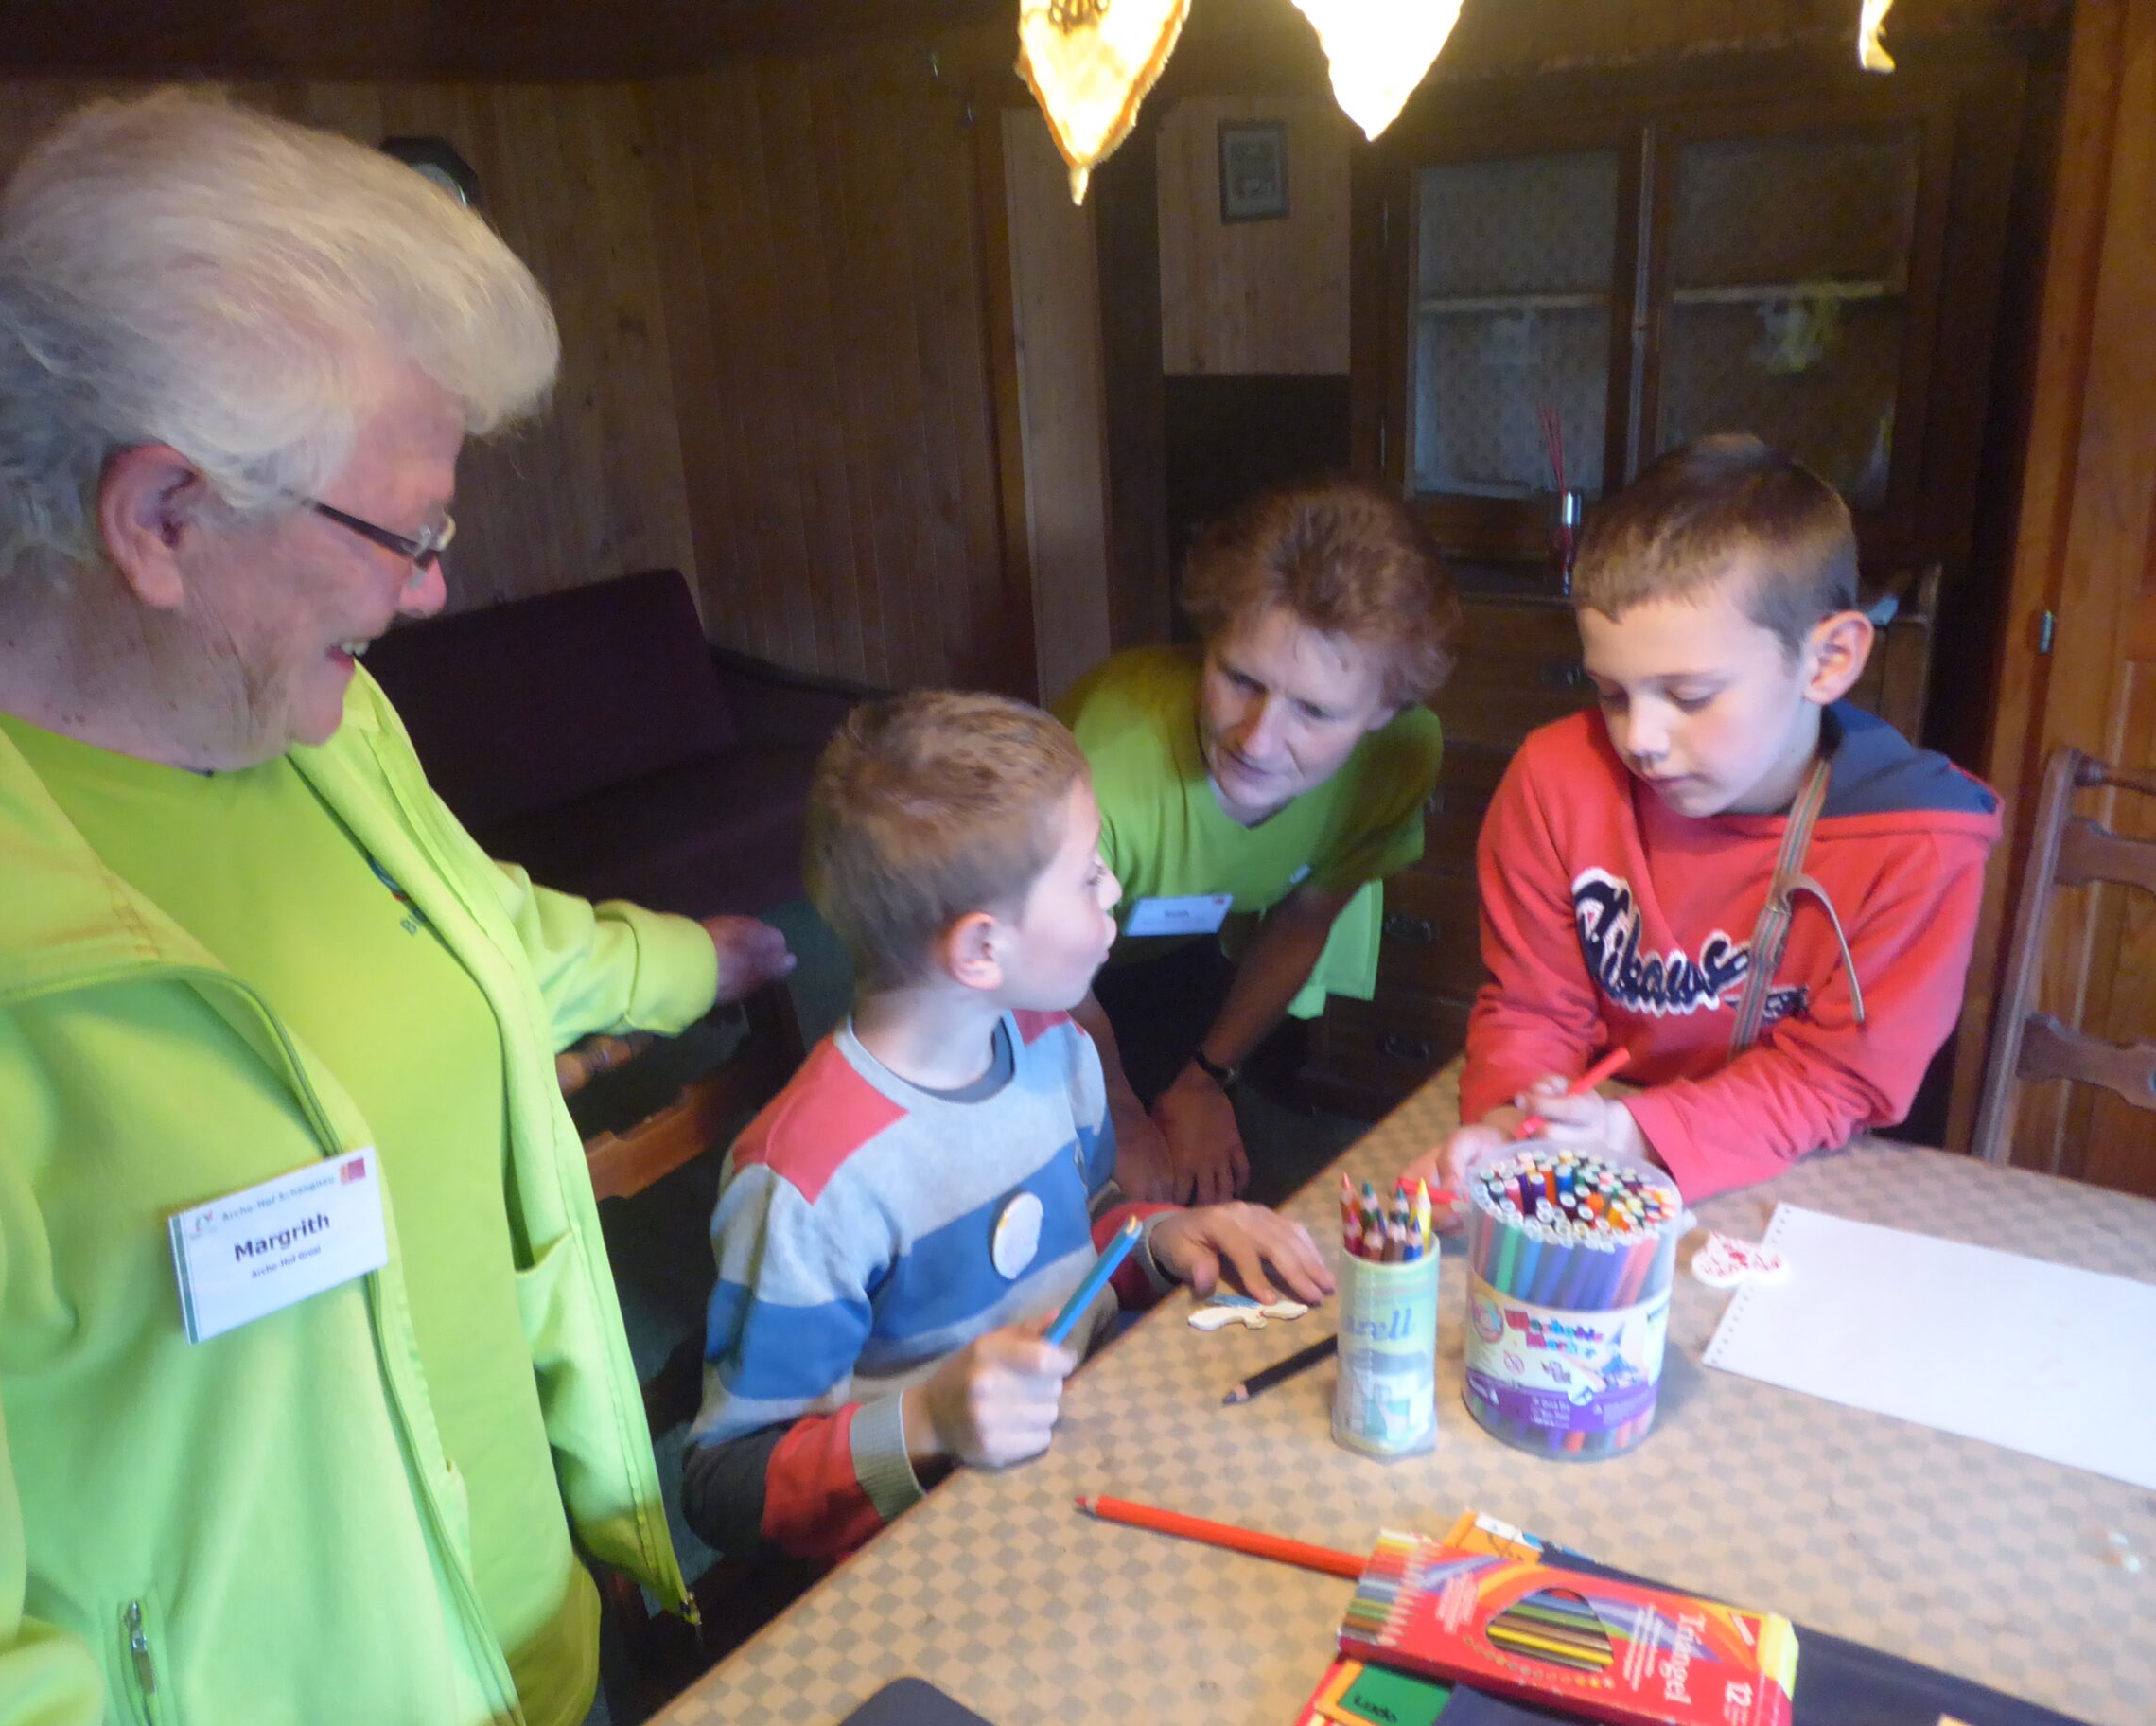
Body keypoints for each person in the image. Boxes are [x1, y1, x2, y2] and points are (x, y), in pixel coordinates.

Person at [0, 91, 794, 1726]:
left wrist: (692, 959)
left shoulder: (308, 712)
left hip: (534, 1687)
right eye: (410, 533)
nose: (433, 589)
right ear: (162, 516)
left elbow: (470, 937)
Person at [680, 693, 1333, 1562]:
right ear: (981, 950)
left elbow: (1082, 1231)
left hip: (1084, 1457)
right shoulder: (808, 1183)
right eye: (1087, 874)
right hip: (940, 1549)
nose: (1115, 888)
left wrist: (1159, 1238)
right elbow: (725, 1486)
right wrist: (930, 1419)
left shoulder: (1056, 1047)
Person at [1411, 435, 2001, 1205]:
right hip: (1600, 1145)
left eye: (1689, 696)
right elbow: (1532, 1009)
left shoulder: (1921, 842)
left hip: (1799, 1170)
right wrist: (1510, 1121)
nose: (1641, 740)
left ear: (1829, 660)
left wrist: (1633, 1135)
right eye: (1611, 693)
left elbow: (1840, 1079)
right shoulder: (1555, 780)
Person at [1059, 481, 1460, 1206]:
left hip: (1187, 955)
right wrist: (1120, 1111)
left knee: (1218, 1188)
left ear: (1387, 709)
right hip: (1034, 972)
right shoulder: (1104, 773)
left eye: (1316, 711)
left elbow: (1306, 916)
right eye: (1240, 679)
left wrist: (1205, 1080)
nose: (1258, 741)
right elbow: (1045, 967)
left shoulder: (1400, 758)